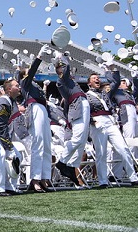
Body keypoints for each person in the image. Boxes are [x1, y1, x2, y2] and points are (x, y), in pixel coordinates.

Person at [16, 44, 62, 192]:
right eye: (28, 71)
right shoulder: (25, 83)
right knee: (38, 144)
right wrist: (39, 57)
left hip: (42, 111)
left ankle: (44, 177)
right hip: (34, 109)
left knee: (47, 146)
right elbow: (32, 71)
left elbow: (46, 104)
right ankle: (34, 179)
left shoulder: (35, 86)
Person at [86, 67, 138, 188]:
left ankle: (133, 177)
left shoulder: (105, 93)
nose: (97, 79)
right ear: (89, 83)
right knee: (101, 153)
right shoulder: (86, 96)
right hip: (97, 122)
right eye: (94, 78)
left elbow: (115, 82)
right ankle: (103, 181)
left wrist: (112, 70)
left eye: (98, 78)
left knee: (123, 148)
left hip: (110, 121)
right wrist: (92, 121)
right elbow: (85, 112)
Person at [53, 53, 90, 187]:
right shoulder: (61, 80)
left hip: (82, 104)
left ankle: (71, 168)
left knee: (82, 140)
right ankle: (62, 163)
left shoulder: (68, 81)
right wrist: (60, 57)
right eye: (60, 68)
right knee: (78, 138)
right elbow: (67, 66)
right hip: (78, 106)